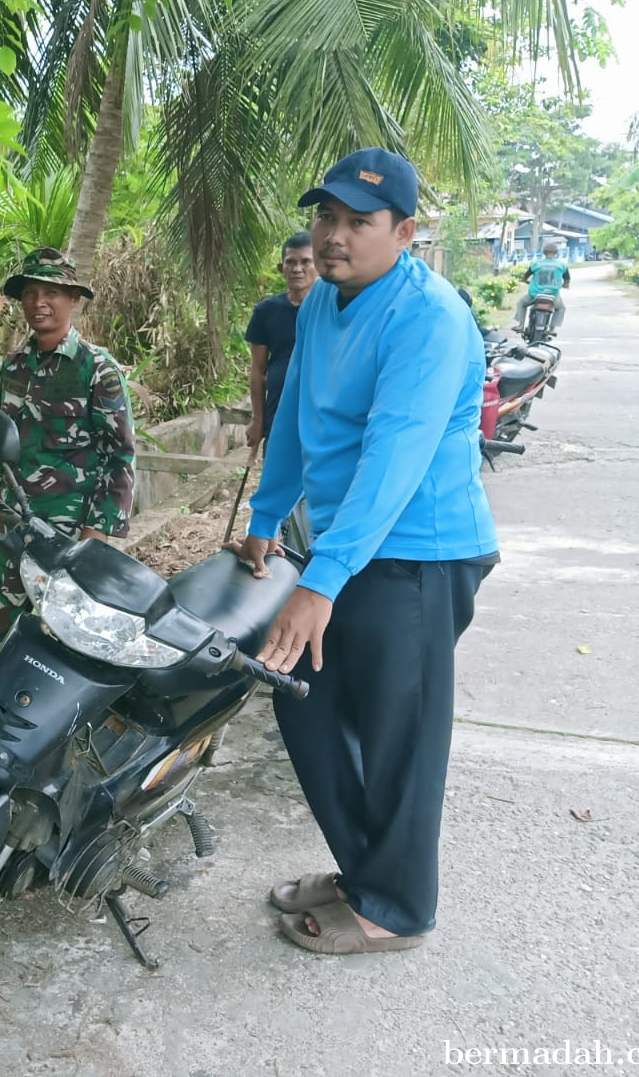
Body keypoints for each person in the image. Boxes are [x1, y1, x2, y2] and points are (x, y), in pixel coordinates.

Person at [229, 147, 499, 954]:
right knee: (300, 692)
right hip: (346, 547)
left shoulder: (430, 318)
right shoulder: (321, 304)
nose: (335, 236)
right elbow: (298, 418)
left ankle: (397, 909)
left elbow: (396, 454)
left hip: (421, 551)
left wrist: (324, 580)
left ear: (405, 232)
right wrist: (266, 512)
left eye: (359, 221)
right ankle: (364, 870)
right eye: (327, 217)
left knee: (396, 735)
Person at [0, 247, 137, 673]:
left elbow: (121, 456)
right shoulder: (14, 367)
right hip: (13, 529)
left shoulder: (97, 370)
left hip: (69, 535)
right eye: (30, 293)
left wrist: (98, 532)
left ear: (73, 299)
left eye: (52, 292)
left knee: (63, 642)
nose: (39, 302)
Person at [245, 232, 318, 448]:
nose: (297, 269)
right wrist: (258, 420)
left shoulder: (331, 308)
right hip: (278, 412)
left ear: (319, 266)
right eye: (291, 262)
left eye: (306, 262)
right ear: (281, 268)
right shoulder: (266, 311)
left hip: (319, 413)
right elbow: (258, 370)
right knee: (277, 477)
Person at [511, 241, 570, 334]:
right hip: (553, 295)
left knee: (521, 303)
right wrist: (565, 285)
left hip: (535, 294)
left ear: (544, 253)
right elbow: (567, 278)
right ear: (556, 253)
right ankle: (552, 329)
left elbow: (526, 275)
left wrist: (524, 280)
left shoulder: (536, 264)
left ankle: (521, 325)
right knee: (561, 308)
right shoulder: (561, 265)